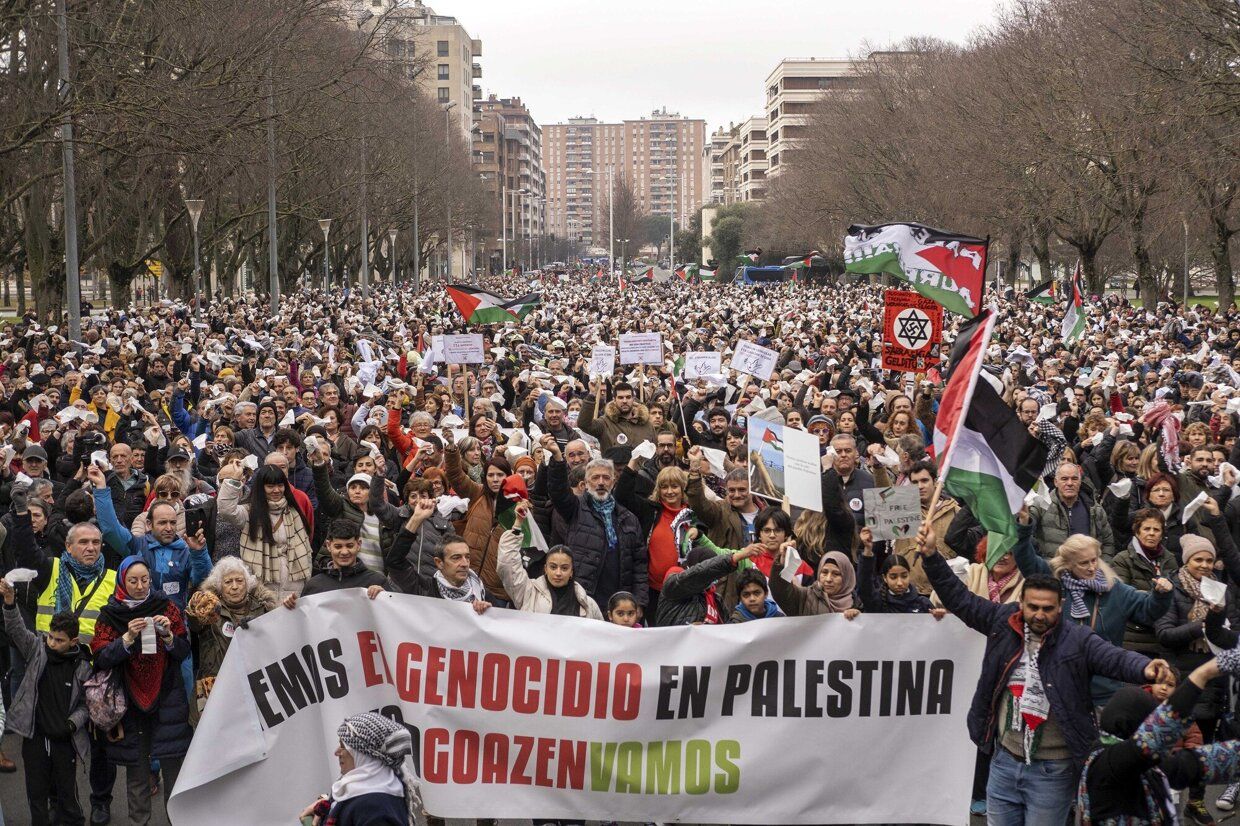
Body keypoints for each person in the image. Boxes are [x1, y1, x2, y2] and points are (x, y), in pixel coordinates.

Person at [917, 524, 1171, 826]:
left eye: (1048, 609)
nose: (1039, 615)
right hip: (1003, 762)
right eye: (1033, 607)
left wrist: (1146, 668)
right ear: (1021, 604)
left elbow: (1113, 657)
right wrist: (931, 556)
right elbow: (960, 599)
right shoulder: (1002, 622)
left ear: (1060, 607)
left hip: (1054, 770)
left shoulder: (1077, 640)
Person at [90, 556, 193, 826]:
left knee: (174, 768)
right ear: (122, 581)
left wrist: (169, 635)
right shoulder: (110, 614)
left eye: (145, 580)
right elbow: (101, 658)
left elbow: (183, 651)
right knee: (137, 771)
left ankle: (177, 820)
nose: (140, 586)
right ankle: (139, 821)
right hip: (129, 702)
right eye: (133, 581)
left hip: (168, 698)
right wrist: (126, 639)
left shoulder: (166, 607)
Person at [0, 577, 91, 826]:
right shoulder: (37, 650)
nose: (52, 643)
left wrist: (72, 724)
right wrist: (10, 602)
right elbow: (16, 629)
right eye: (50, 637)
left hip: (64, 741)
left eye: (59, 640)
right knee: (36, 795)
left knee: (67, 797)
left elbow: (86, 705)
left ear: (73, 641)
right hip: (35, 738)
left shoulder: (82, 666)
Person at [543, 437, 648, 610]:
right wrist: (557, 458)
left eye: (606, 478)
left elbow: (639, 566)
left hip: (618, 604)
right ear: (586, 483)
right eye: (595, 477)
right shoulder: (576, 509)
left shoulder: (629, 519)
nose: (600, 482)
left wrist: (640, 603)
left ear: (613, 482)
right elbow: (558, 492)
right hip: (582, 599)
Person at [183, 556, 276, 724]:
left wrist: (256, 626)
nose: (234, 587)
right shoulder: (209, 607)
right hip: (215, 686)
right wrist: (194, 610)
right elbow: (195, 625)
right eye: (228, 582)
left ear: (247, 583)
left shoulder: (263, 608)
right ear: (219, 586)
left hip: (254, 686)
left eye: (239, 581)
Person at [299, 711, 425, 826]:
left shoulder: (374, 808)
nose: (336, 752)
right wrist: (327, 806)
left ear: (364, 754)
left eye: (343, 746)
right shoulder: (366, 791)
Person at [216, 461, 315, 601]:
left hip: (294, 586)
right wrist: (234, 480)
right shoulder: (250, 512)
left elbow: (306, 551)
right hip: (260, 587)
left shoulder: (293, 513)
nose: (276, 490)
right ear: (261, 488)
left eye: (280, 485)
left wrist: (307, 584)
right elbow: (226, 510)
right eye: (270, 486)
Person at [495, 505, 604, 619]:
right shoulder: (529, 593)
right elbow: (508, 566)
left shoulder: (588, 604)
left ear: (571, 572)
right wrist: (518, 524)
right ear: (545, 569)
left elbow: (600, 630)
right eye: (553, 567)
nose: (558, 573)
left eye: (564, 568)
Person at [283, 521, 389, 606]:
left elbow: (392, 618)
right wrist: (291, 606)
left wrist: (385, 598)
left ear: (358, 544)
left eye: (350, 546)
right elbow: (303, 621)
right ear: (328, 545)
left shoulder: (377, 582)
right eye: (338, 546)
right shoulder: (314, 585)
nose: (344, 552)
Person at [1030, 462, 1117, 559]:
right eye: (1064, 479)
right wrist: (1042, 564)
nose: (1070, 483)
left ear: (1080, 482)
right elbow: (1025, 531)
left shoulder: (1095, 509)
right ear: (1056, 482)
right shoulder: (1041, 505)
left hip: (1089, 567)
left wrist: (1102, 565)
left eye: (1074, 479)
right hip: (1052, 567)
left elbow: (1108, 543)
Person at [857, 527, 937, 614]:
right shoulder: (876, 602)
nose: (899, 583)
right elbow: (864, 584)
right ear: (885, 578)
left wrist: (939, 616)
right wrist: (868, 550)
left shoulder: (923, 604)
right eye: (893, 577)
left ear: (909, 574)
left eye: (904, 576)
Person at [769, 548, 861, 619]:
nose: (828, 579)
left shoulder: (857, 603)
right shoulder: (804, 598)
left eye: (836, 574)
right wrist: (783, 563)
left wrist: (858, 617)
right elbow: (780, 590)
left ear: (846, 578)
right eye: (824, 572)